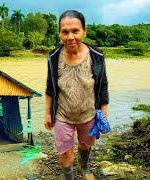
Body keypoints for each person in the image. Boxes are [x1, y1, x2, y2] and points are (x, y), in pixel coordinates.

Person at [44, 10, 109, 180]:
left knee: (85, 145)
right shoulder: (53, 57)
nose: (70, 37)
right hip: (62, 115)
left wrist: (103, 112)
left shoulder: (97, 56)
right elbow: (50, 87)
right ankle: (69, 176)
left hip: (88, 114)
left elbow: (103, 85)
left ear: (84, 31)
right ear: (59, 33)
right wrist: (46, 113)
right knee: (65, 153)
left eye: (75, 31)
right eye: (65, 32)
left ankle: (84, 167)